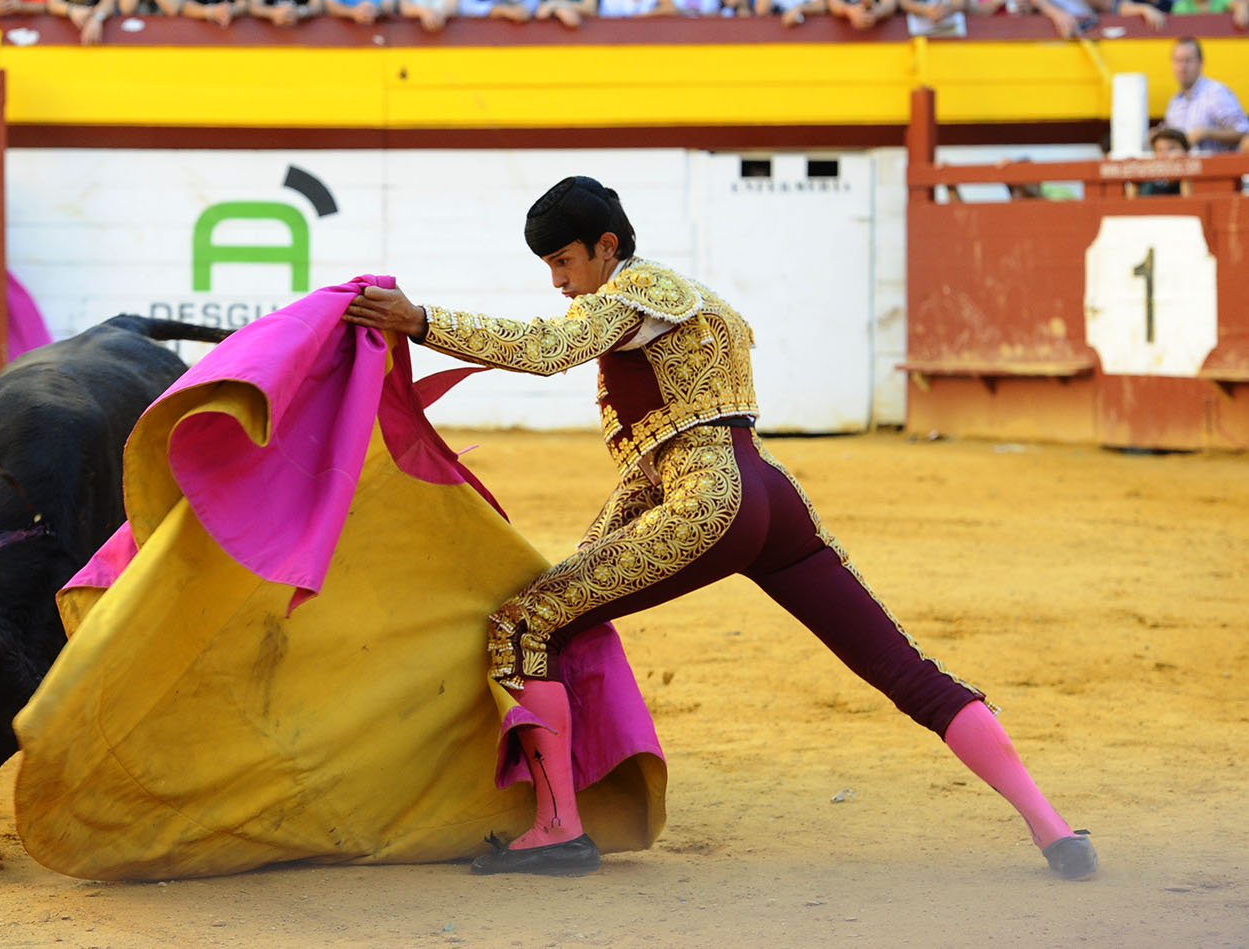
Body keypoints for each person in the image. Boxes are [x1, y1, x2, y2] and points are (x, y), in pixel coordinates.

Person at [339, 176, 1100, 883]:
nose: (559, 281)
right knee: (903, 667)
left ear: (608, 245)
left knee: (523, 623)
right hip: (770, 495)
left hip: (710, 499)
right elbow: (657, 464)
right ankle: (1055, 829)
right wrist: (591, 552)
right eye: (548, 265)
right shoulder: (693, 296)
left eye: (565, 260)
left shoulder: (630, 289)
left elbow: (548, 350)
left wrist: (422, 320)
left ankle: (557, 827)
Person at [1162, 37, 1249, 152]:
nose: (1182, 67)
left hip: (1219, 167)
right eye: (1178, 61)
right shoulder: (1174, 103)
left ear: (1200, 62)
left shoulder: (1215, 92)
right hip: (1185, 167)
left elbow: (1244, 130)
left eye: (1188, 60)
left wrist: (1207, 133)